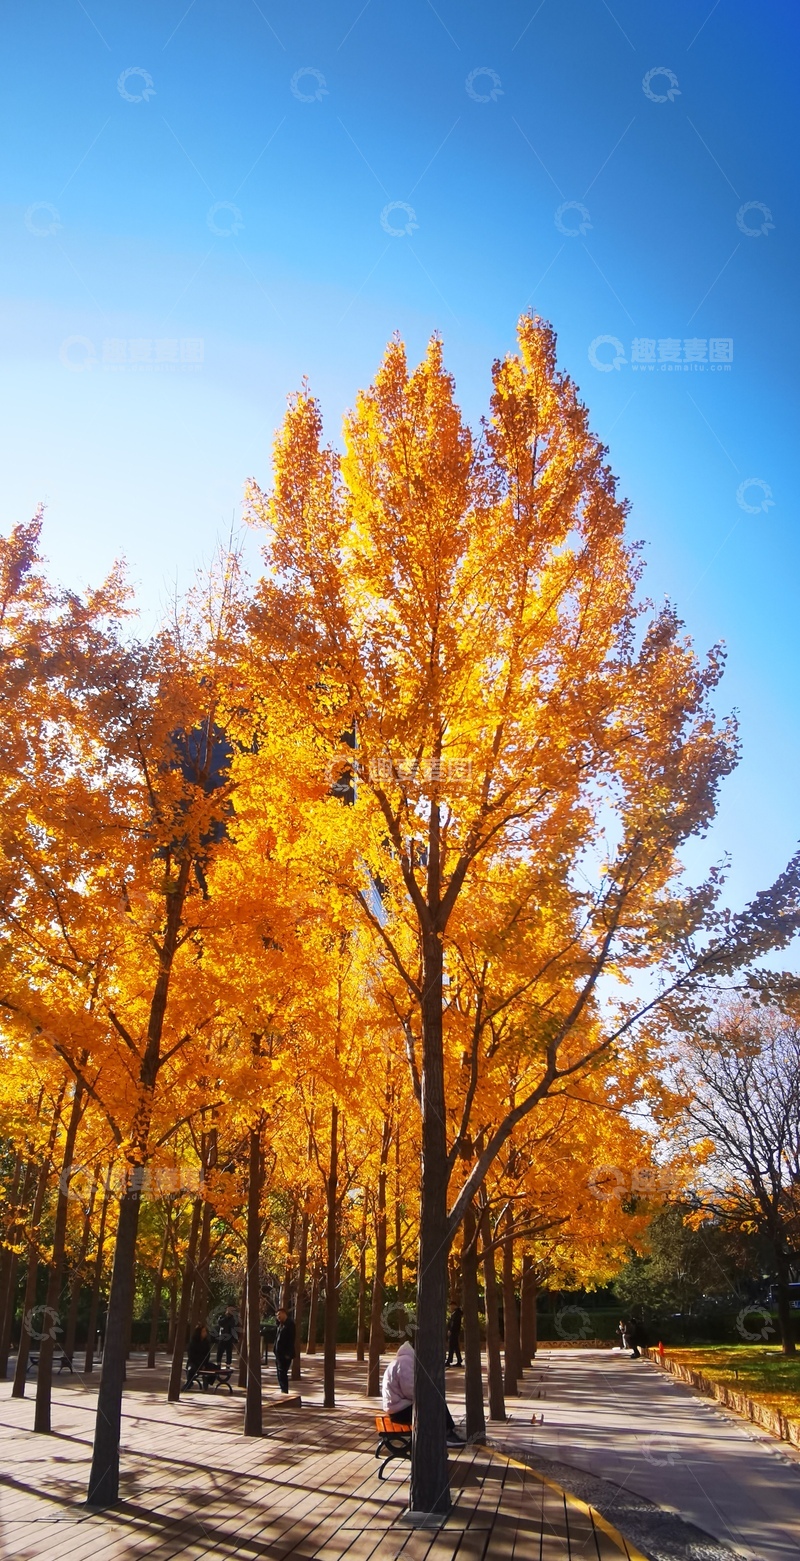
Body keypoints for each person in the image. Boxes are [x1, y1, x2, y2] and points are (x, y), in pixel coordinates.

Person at [381, 1333, 464, 1446]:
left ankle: (449, 1431)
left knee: (436, 1400)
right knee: (435, 1403)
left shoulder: (406, 1360)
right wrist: (427, 1394)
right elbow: (410, 1390)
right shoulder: (406, 1362)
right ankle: (446, 1434)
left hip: (397, 1406)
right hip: (399, 1410)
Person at [273, 1307, 296, 1394]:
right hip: (278, 1354)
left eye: (279, 1315)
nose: (278, 1317)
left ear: (284, 1314)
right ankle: (282, 1389)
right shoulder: (280, 1325)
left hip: (285, 1354)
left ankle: (284, 1390)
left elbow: (291, 1340)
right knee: (279, 1373)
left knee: (282, 1373)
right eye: (276, 1316)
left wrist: (288, 1354)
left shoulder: (290, 1324)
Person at [186, 1323, 212, 1388]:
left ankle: (207, 1380)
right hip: (193, 1362)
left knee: (214, 1368)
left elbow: (208, 1355)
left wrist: (204, 1364)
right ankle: (189, 1383)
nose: (205, 1333)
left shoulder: (206, 1342)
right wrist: (199, 1364)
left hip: (204, 1363)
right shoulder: (193, 1342)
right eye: (203, 1331)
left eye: (205, 1331)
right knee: (191, 1369)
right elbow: (191, 1356)